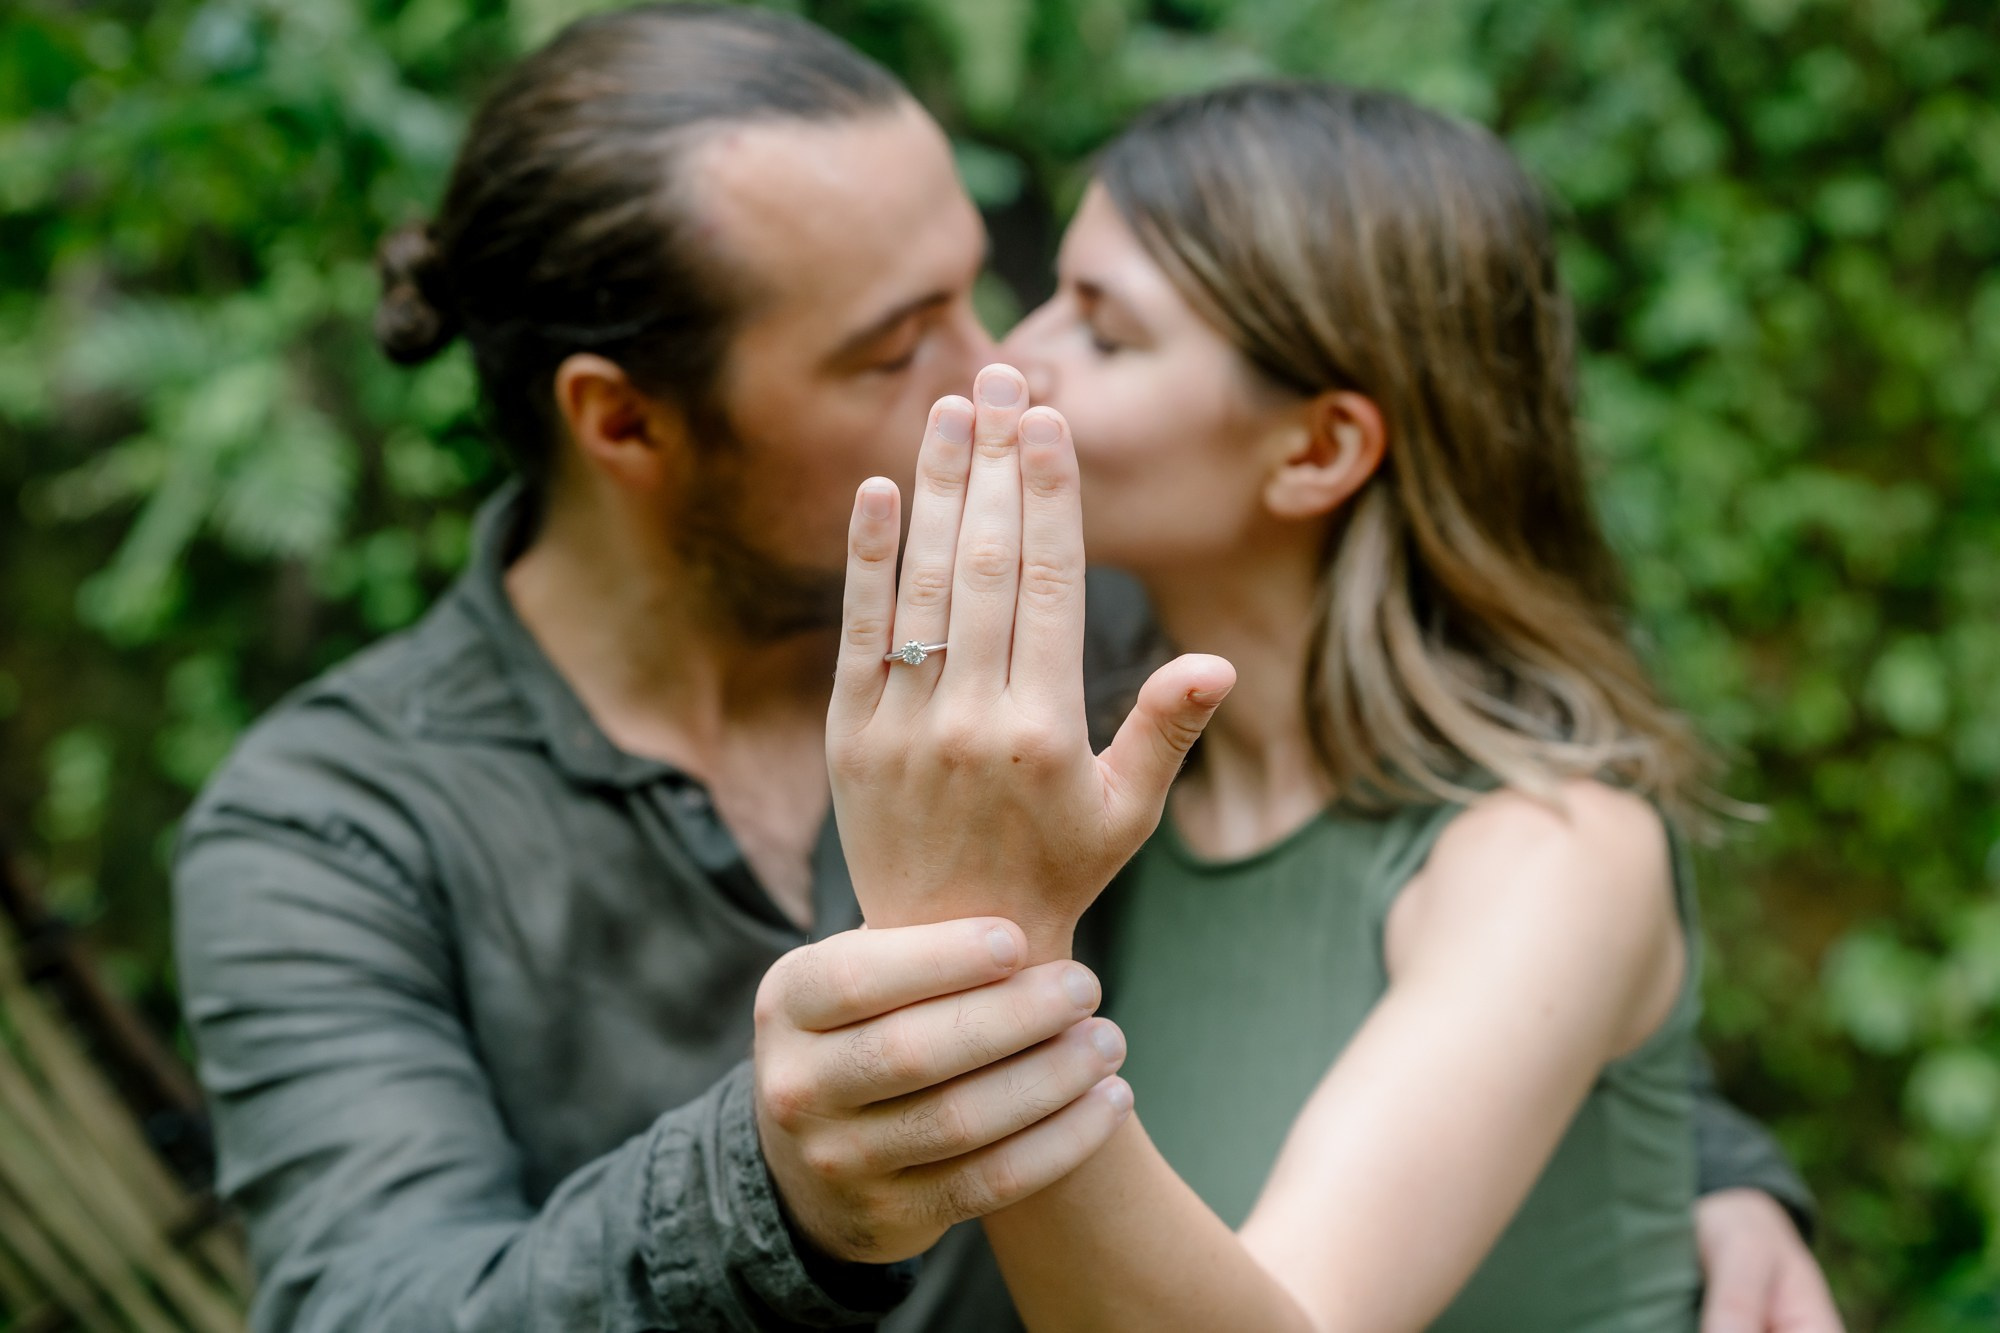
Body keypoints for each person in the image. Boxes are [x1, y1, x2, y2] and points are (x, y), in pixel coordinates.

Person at [170, 6, 1830, 1331]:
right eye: (899, 347)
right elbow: (370, 1301)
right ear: (624, 420)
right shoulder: (329, 827)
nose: (1002, 377)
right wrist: (788, 1177)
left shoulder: (1120, 643)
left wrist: (1709, 1171)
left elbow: (1461, 921)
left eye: (995, 289)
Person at [826, 82, 1845, 1331]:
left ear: (1316, 451)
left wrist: (989, 957)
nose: (1010, 356)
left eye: (1102, 331)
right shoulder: (1104, 774)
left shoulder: (1550, 852)